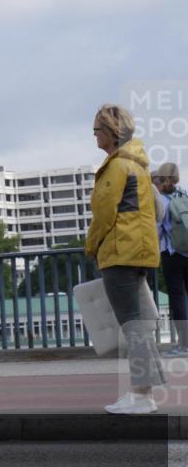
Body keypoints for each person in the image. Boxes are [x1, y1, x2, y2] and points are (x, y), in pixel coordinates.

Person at [86, 104, 166, 413]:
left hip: (120, 252)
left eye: (96, 129)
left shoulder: (116, 166)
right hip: (141, 251)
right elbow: (159, 210)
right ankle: (144, 393)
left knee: (131, 323)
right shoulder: (140, 165)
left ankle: (140, 396)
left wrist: (91, 245)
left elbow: (104, 214)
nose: (93, 135)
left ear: (109, 131)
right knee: (141, 323)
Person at [153, 163, 188, 357]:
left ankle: (184, 345)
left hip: (172, 254)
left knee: (178, 299)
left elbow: (157, 229)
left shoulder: (162, 201)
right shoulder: (185, 195)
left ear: (165, 180)